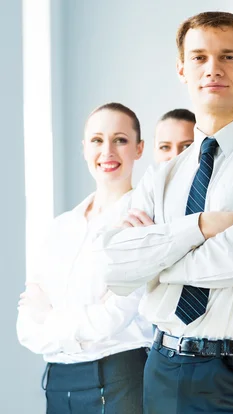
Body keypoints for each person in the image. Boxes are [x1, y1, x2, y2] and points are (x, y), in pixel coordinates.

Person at [92, 11, 233, 413]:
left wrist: (156, 262)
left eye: (227, 56)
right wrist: (199, 226)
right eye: (198, 57)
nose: (212, 68)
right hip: (162, 367)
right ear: (182, 69)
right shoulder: (162, 176)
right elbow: (113, 266)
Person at [17, 102, 152, 414]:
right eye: (97, 140)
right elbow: (26, 327)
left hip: (120, 379)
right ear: (83, 148)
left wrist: (50, 317)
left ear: (139, 148)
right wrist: (79, 324)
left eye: (120, 139)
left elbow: (114, 317)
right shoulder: (59, 228)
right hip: (57, 381)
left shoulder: (143, 223)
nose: (107, 151)